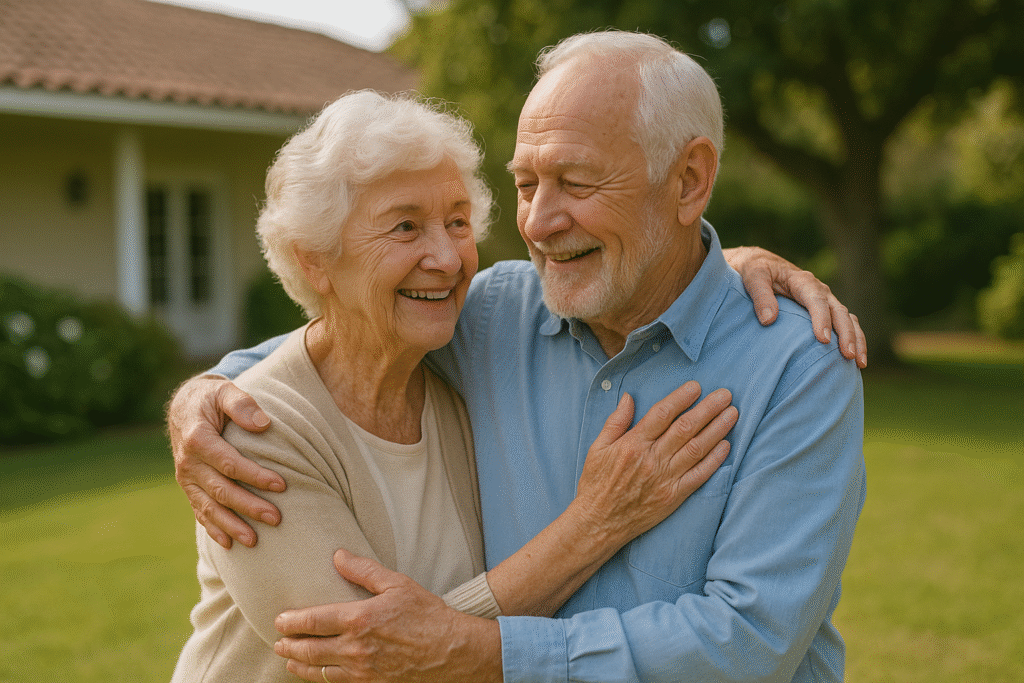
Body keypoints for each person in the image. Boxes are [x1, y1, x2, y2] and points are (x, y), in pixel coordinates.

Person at [169, 31, 868, 682]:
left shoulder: (798, 365)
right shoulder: (498, 312)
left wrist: (483, 652)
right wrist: (204, 393)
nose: (537, 221)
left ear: (688, 182)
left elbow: (748, 638)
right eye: (527, 183)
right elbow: (351, 334)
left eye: (578, 181)